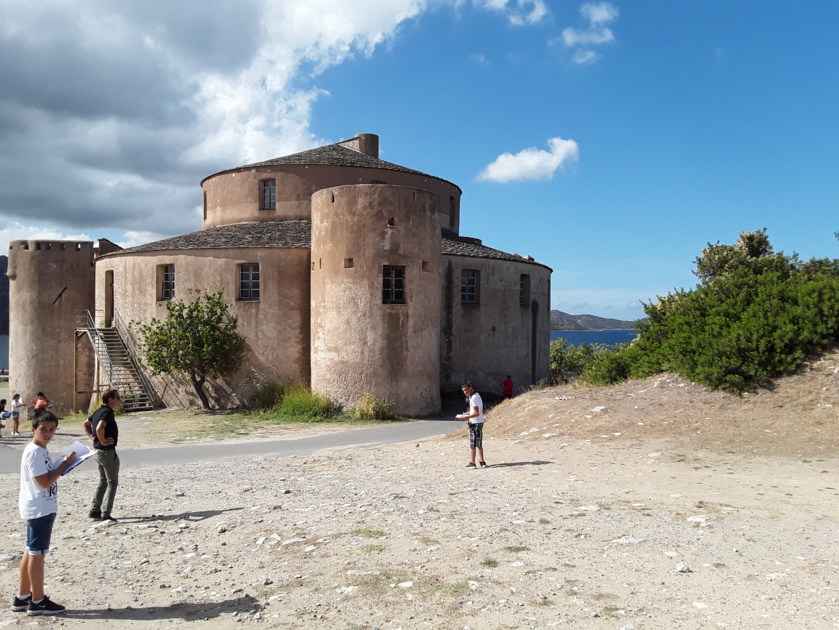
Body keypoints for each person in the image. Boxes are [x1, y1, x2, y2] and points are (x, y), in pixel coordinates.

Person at [14, 410, 76, 616]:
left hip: (40, 506)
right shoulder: (34, 451)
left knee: (30, 550)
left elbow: (46, 476)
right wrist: (65, 465)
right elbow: (44, 481)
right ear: (33, 430)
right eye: (43, 429)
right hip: (39, 508)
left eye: (52, 430)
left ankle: (23, 597)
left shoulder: (40, 450)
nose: (48, 433)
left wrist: (61, 464)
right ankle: (38, 601)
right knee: (37, 554)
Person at [83, 390, 121, 522]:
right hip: (106, 451)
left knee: (103, 481)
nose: (119, 401)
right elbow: (99, 428)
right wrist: (102, 440)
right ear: (110, 399)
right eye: (117, 398)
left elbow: (86, 424)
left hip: (98, 451)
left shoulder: (98, 411)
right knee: (112, 482)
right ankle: (106, 512)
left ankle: (95, 510)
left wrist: (94, 439)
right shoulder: (107, 412)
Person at [456, 382, 487, 469]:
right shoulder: (476, 396)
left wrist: (465, 417)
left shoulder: (474, 398)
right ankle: (482, 462)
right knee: (479, 443)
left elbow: (476, 413)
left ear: (471, 388)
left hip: (474, 422)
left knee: (473, 444)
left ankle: (472, 463)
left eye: (466, 390)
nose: (465, 392)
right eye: (463, 391)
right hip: (479, 421)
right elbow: (475, 410)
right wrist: (466, 413)